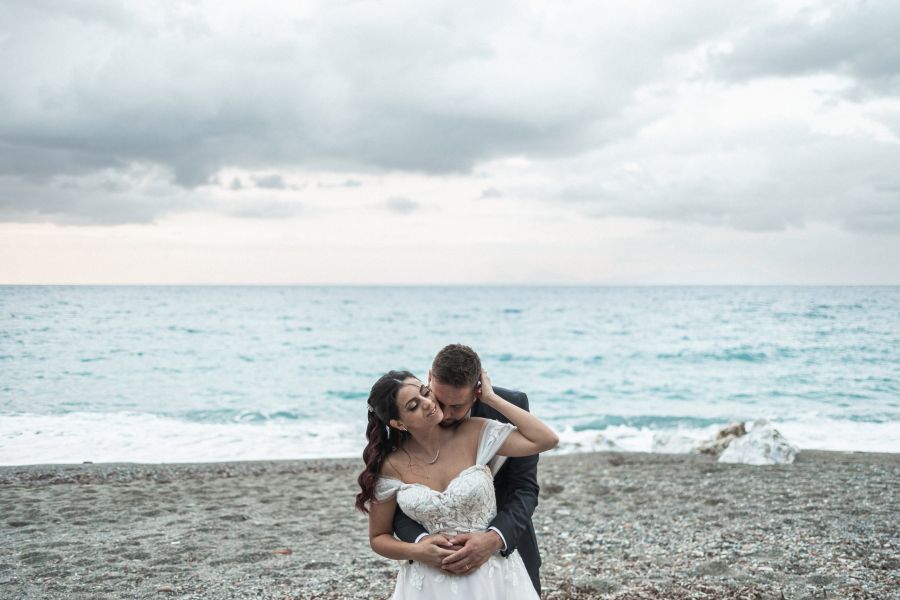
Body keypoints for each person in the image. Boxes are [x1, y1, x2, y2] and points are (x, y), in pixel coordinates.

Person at [356, 366, 558, 599]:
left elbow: (546, 439)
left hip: (493, 576)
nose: (428, 403)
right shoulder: (391, 466)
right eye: (413, 406)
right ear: (399, 424)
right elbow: (379, 537)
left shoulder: (475, 432)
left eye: (424, 392)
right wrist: (418, 550)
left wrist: (491, 398)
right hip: (429, 583)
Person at [396, 344, 545, 594]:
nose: (444, 413)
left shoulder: (510, 405)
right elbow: (397, 498)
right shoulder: (410, 414)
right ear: (430, 377)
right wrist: (423, 544)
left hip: (508, 553)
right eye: (440, 400)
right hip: (434, 568)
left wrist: (493, 539)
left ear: (477, 391)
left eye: (456, 406)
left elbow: (524, 489)